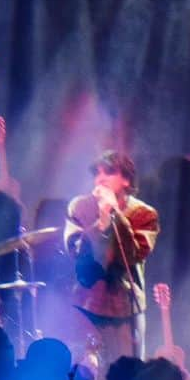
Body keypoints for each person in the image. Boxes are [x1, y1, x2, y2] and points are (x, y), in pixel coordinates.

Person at [64, 150, 159, 363]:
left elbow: (133, 255)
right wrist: (101, 223)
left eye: (108, 172)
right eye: (96, 173)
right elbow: (76, 250)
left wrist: (114, 212)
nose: (101, 178)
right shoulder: (80, 207)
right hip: (88, 304)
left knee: (126, 378)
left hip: (125, 309)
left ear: (126, 179)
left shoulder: (144, 214)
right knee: (87, 375)